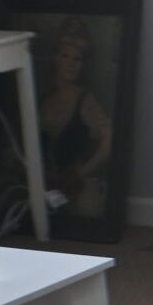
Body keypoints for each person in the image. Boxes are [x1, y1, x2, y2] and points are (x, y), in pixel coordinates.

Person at [36, 15, 115, 219]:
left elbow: (109, 137)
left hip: (76, 187)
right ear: (55, 58)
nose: (71, 64)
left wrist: (81, 172)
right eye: (65, 56)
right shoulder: (44, 100)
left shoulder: (85, 100)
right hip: (46, 185)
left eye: (77, 59)